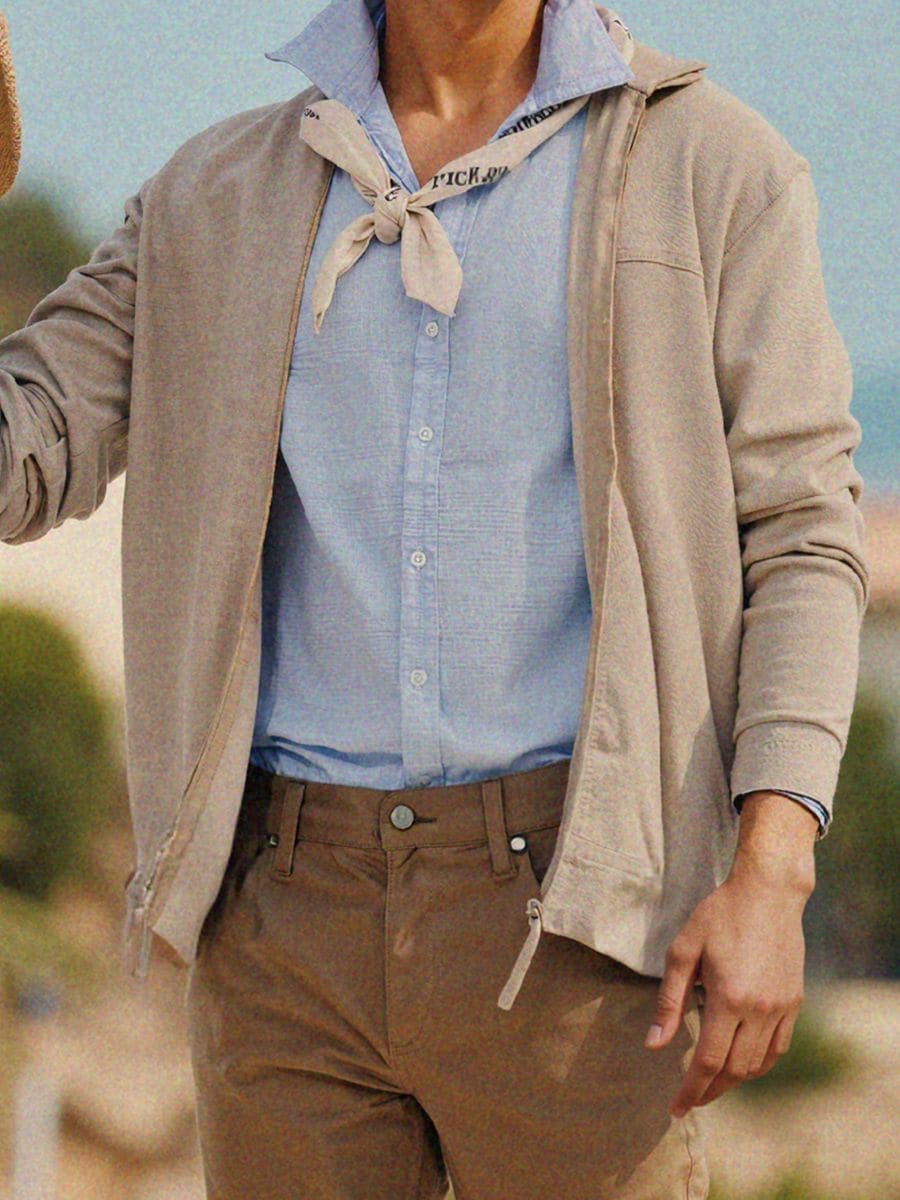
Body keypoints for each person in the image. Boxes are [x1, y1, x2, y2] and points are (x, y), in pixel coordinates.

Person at [0, 2, 869, 1197]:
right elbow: (27, 457)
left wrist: (773, 871)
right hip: (282, 921)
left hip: (584, 917)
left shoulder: (711, 166)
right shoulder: (212, 192)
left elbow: (805, 535)